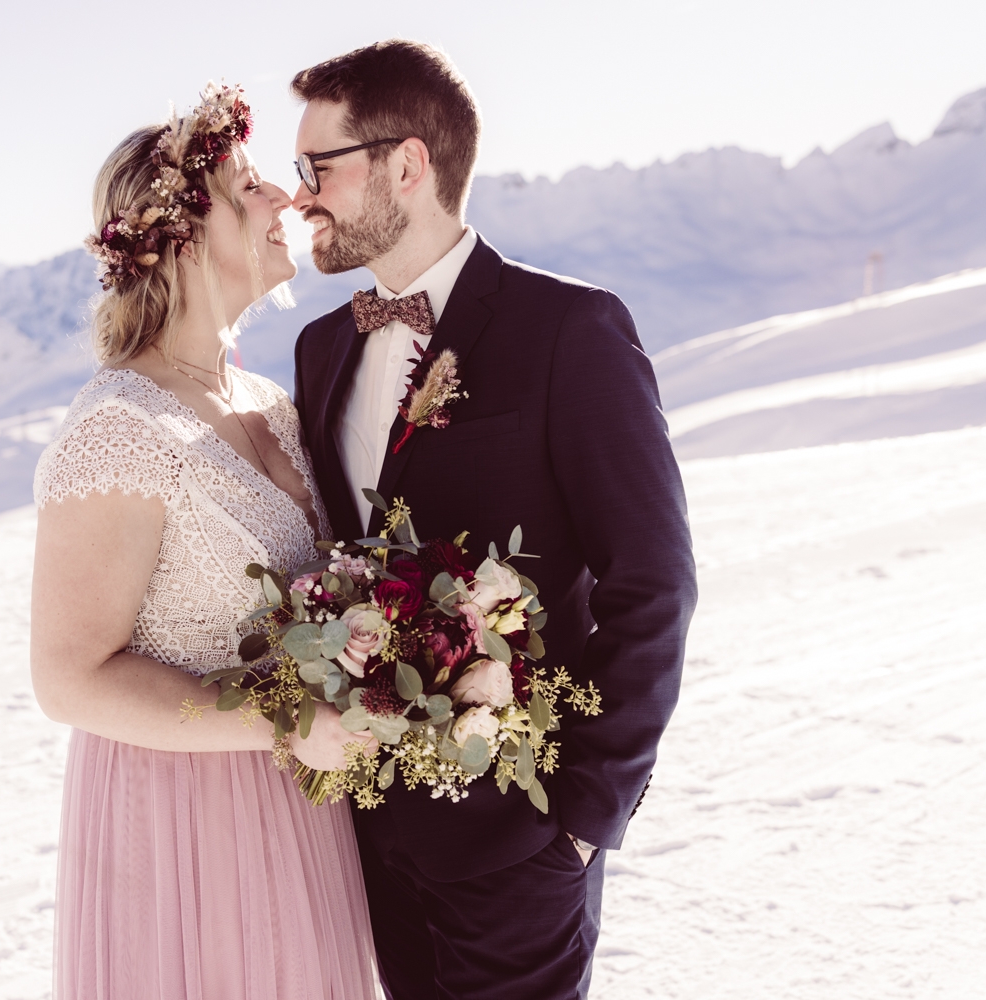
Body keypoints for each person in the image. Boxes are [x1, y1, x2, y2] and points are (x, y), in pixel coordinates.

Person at [288, 42, 698, 999]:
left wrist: (585, 812)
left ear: (406, 164)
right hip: (372, 833)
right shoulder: (319, 350)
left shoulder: (570, 330)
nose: (301, 194)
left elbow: (653, 577)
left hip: (522, 832)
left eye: (319, 168)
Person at [30, 84, 379, 999]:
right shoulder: (117, 431)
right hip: (180, 827)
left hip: (304, 809)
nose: (285, 202)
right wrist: (285, 724)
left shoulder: (271, 404)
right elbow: (70, 676)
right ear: (182, 237)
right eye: (248, 190)